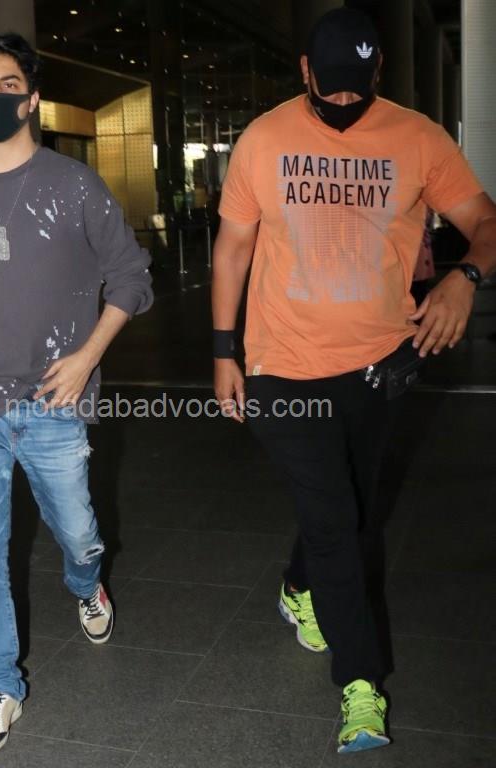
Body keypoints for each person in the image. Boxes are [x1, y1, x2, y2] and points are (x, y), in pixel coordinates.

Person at [212, 7, 496, 755]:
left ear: (378, 73)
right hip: (282, 367)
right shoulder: (264, 139)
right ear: (304, 71)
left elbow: (486, 223)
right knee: (338, 522)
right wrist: (223, 352)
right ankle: (361, 684)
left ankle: (297, 584)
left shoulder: (419, 138)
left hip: (378, 365)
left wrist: (465, 277)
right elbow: (233, 248)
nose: (342, 100)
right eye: (328, 85)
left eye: (356, 87)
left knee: (355, 509)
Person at [0, 33, 153, 756]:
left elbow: (132, 277)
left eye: (9, 83)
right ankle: (0, 685)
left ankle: (86, 581)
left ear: (32, 98)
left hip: (54, 397)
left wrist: (86, 358)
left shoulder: (75, 184)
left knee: (78, 531)